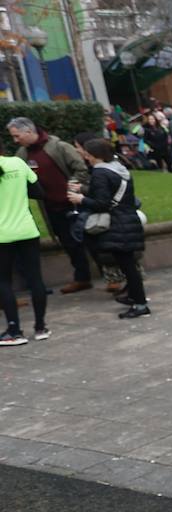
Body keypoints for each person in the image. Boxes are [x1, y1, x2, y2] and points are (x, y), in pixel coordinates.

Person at [8, 117, 92, 293]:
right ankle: (82, 277)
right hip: (51, 206)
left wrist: (73, 186)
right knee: (68, 243)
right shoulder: (22, 155)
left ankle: (108, 275)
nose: (15, 140)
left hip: (73, 203)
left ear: (29, 131)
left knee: (88, 240)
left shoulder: (58, 146)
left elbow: (80, 168)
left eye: (17, 136)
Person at [69, 137, 149, 319]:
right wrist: (84, 189)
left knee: (127, 265)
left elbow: (102, 203)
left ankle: (139, 303)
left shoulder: (100, 173)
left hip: (117, 223)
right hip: (127, 219)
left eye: (87, 154)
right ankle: (135, 298)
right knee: (129, 264)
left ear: (94, 155)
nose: (85, 157)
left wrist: (80, 199)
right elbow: (110, 194)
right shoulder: (118, 168)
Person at [0, 149, 47, 345]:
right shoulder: (18, 163)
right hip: (27, 230)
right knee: (35, 277)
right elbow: (38, 192)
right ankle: (40, 327)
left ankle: (14, 330)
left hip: (2, 235)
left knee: (3, 282)